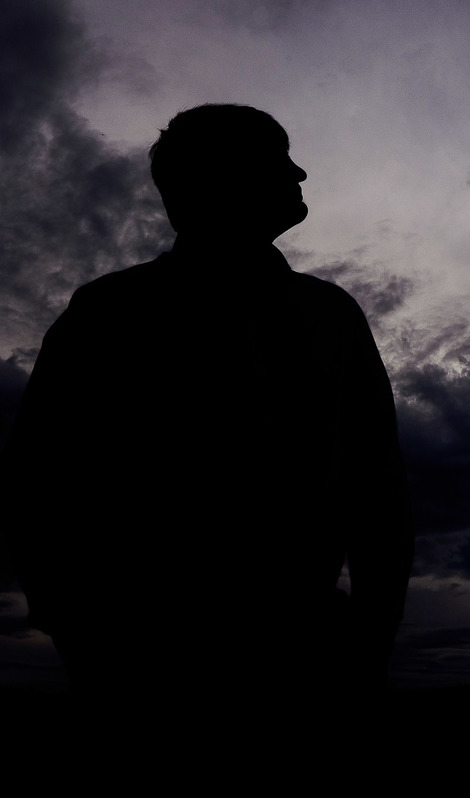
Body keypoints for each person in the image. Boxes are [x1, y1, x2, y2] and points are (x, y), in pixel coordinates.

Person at [0, 104, 414, 753]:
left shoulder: (331, 315)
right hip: (144, 678)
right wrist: (87, 642)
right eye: (279, 159)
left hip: (304, 670)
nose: (300, 171)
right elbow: (33, 484)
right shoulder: (109, 312)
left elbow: (380, 498)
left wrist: (365, 650)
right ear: (225, 178)